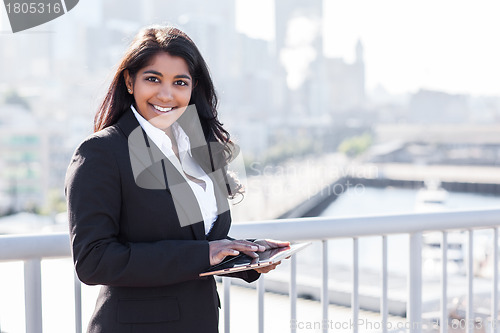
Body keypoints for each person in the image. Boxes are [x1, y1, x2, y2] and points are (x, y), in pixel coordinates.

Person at [65, 25, 290, 333]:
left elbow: (197, 245)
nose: (166, 94)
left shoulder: (198, 147)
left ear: (192, 87)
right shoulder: (102, 153)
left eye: (179, 82)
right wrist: (204, 254)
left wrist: (245, 255)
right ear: (130, 81)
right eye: (152, 79)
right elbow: (94, 260)